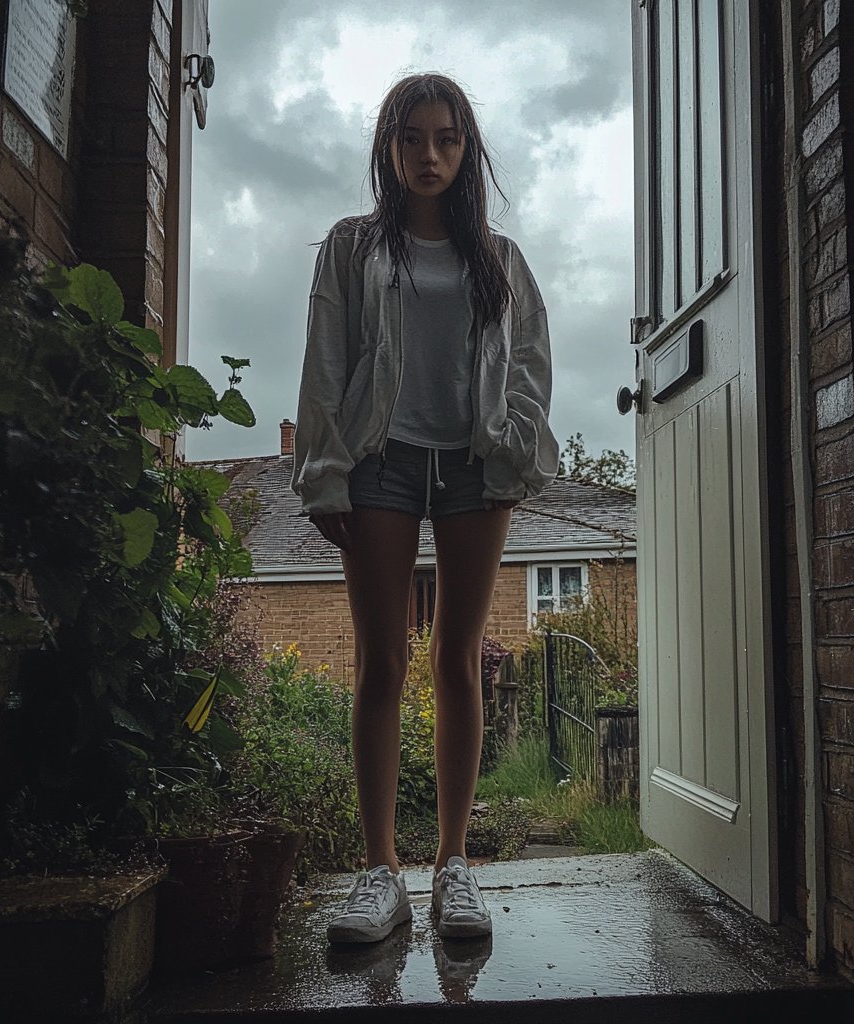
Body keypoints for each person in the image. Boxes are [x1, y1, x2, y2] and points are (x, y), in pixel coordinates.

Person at [291, 72, 559, 944]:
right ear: (389, 147)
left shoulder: (500, 258)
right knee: (381, 665)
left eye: (446, 139)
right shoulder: (351, 246)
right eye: (413, 139)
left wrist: (513, 443)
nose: (430, 154)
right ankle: (381, 875)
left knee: (456, 660)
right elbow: (326, 357)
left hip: (474, 468)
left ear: (466, 150)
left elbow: (529, 362)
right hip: (382, 463)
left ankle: (453, 869)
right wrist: (325, 474)